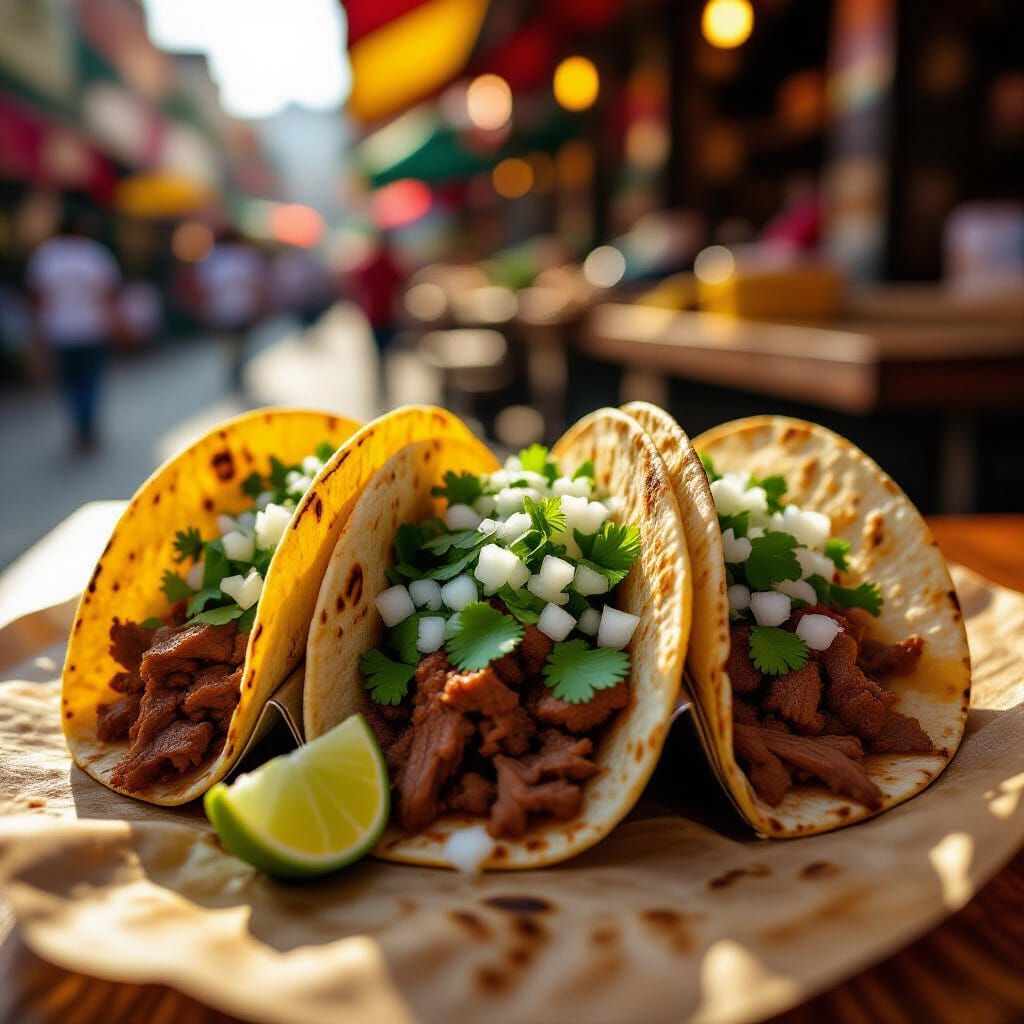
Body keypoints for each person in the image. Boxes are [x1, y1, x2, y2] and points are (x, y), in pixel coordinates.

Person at [26, 210, 121, 450]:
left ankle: (81, 427)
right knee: (90, 380)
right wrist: (115, 324)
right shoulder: (94, 254)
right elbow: (109, 294)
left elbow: (38, 298)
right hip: (91, 328)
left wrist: (38, 332)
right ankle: (87, 426)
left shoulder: (46, 257)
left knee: (71, 382)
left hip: (60, 331)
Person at [194, 227, 267, 391]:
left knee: (229, 346)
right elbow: (256, 285)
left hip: (221, 311)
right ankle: (237, 372)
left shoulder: (212, 259)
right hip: (241, 309)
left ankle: (234, 372)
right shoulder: (245, 256)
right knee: (240, 345)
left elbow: (204, 288)